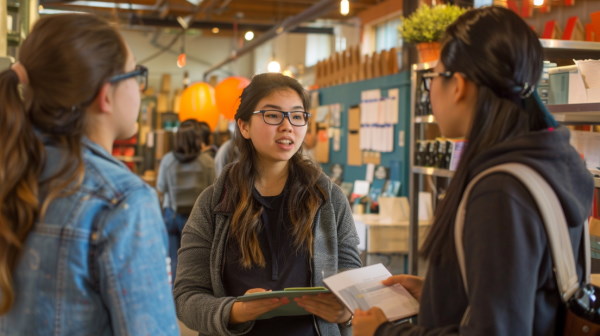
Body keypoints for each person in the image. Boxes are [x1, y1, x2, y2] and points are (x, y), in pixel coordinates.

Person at [352, 6, 593, 336]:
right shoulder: (551, 163)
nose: (431, 90)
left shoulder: (500, 189)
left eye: (433, 77)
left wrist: (383, 332)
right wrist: (443, 292)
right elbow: (529, 295)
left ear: (458, 86)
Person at [0, 14, 179, 335]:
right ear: (105, 94)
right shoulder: (122, 200)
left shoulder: (10, 167)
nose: (140, 89)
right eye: (137, 74)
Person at [173, 72, 362, 336]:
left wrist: (346, 310)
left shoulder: (327, 198)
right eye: (273, 115)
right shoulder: (214, 203)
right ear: (244, 126)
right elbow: (186, 296)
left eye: (297, 116)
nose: (287, 126)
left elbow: (351, 276)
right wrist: (236, 311)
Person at [157, 118, 216, 280]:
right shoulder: (207, 162)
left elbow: (161, 189)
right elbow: (214, 190)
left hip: (172, 215)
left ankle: (174, 298)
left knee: (174, 259)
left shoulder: (168, 160)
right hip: (197, 218)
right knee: (194, 261)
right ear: (197, 139)